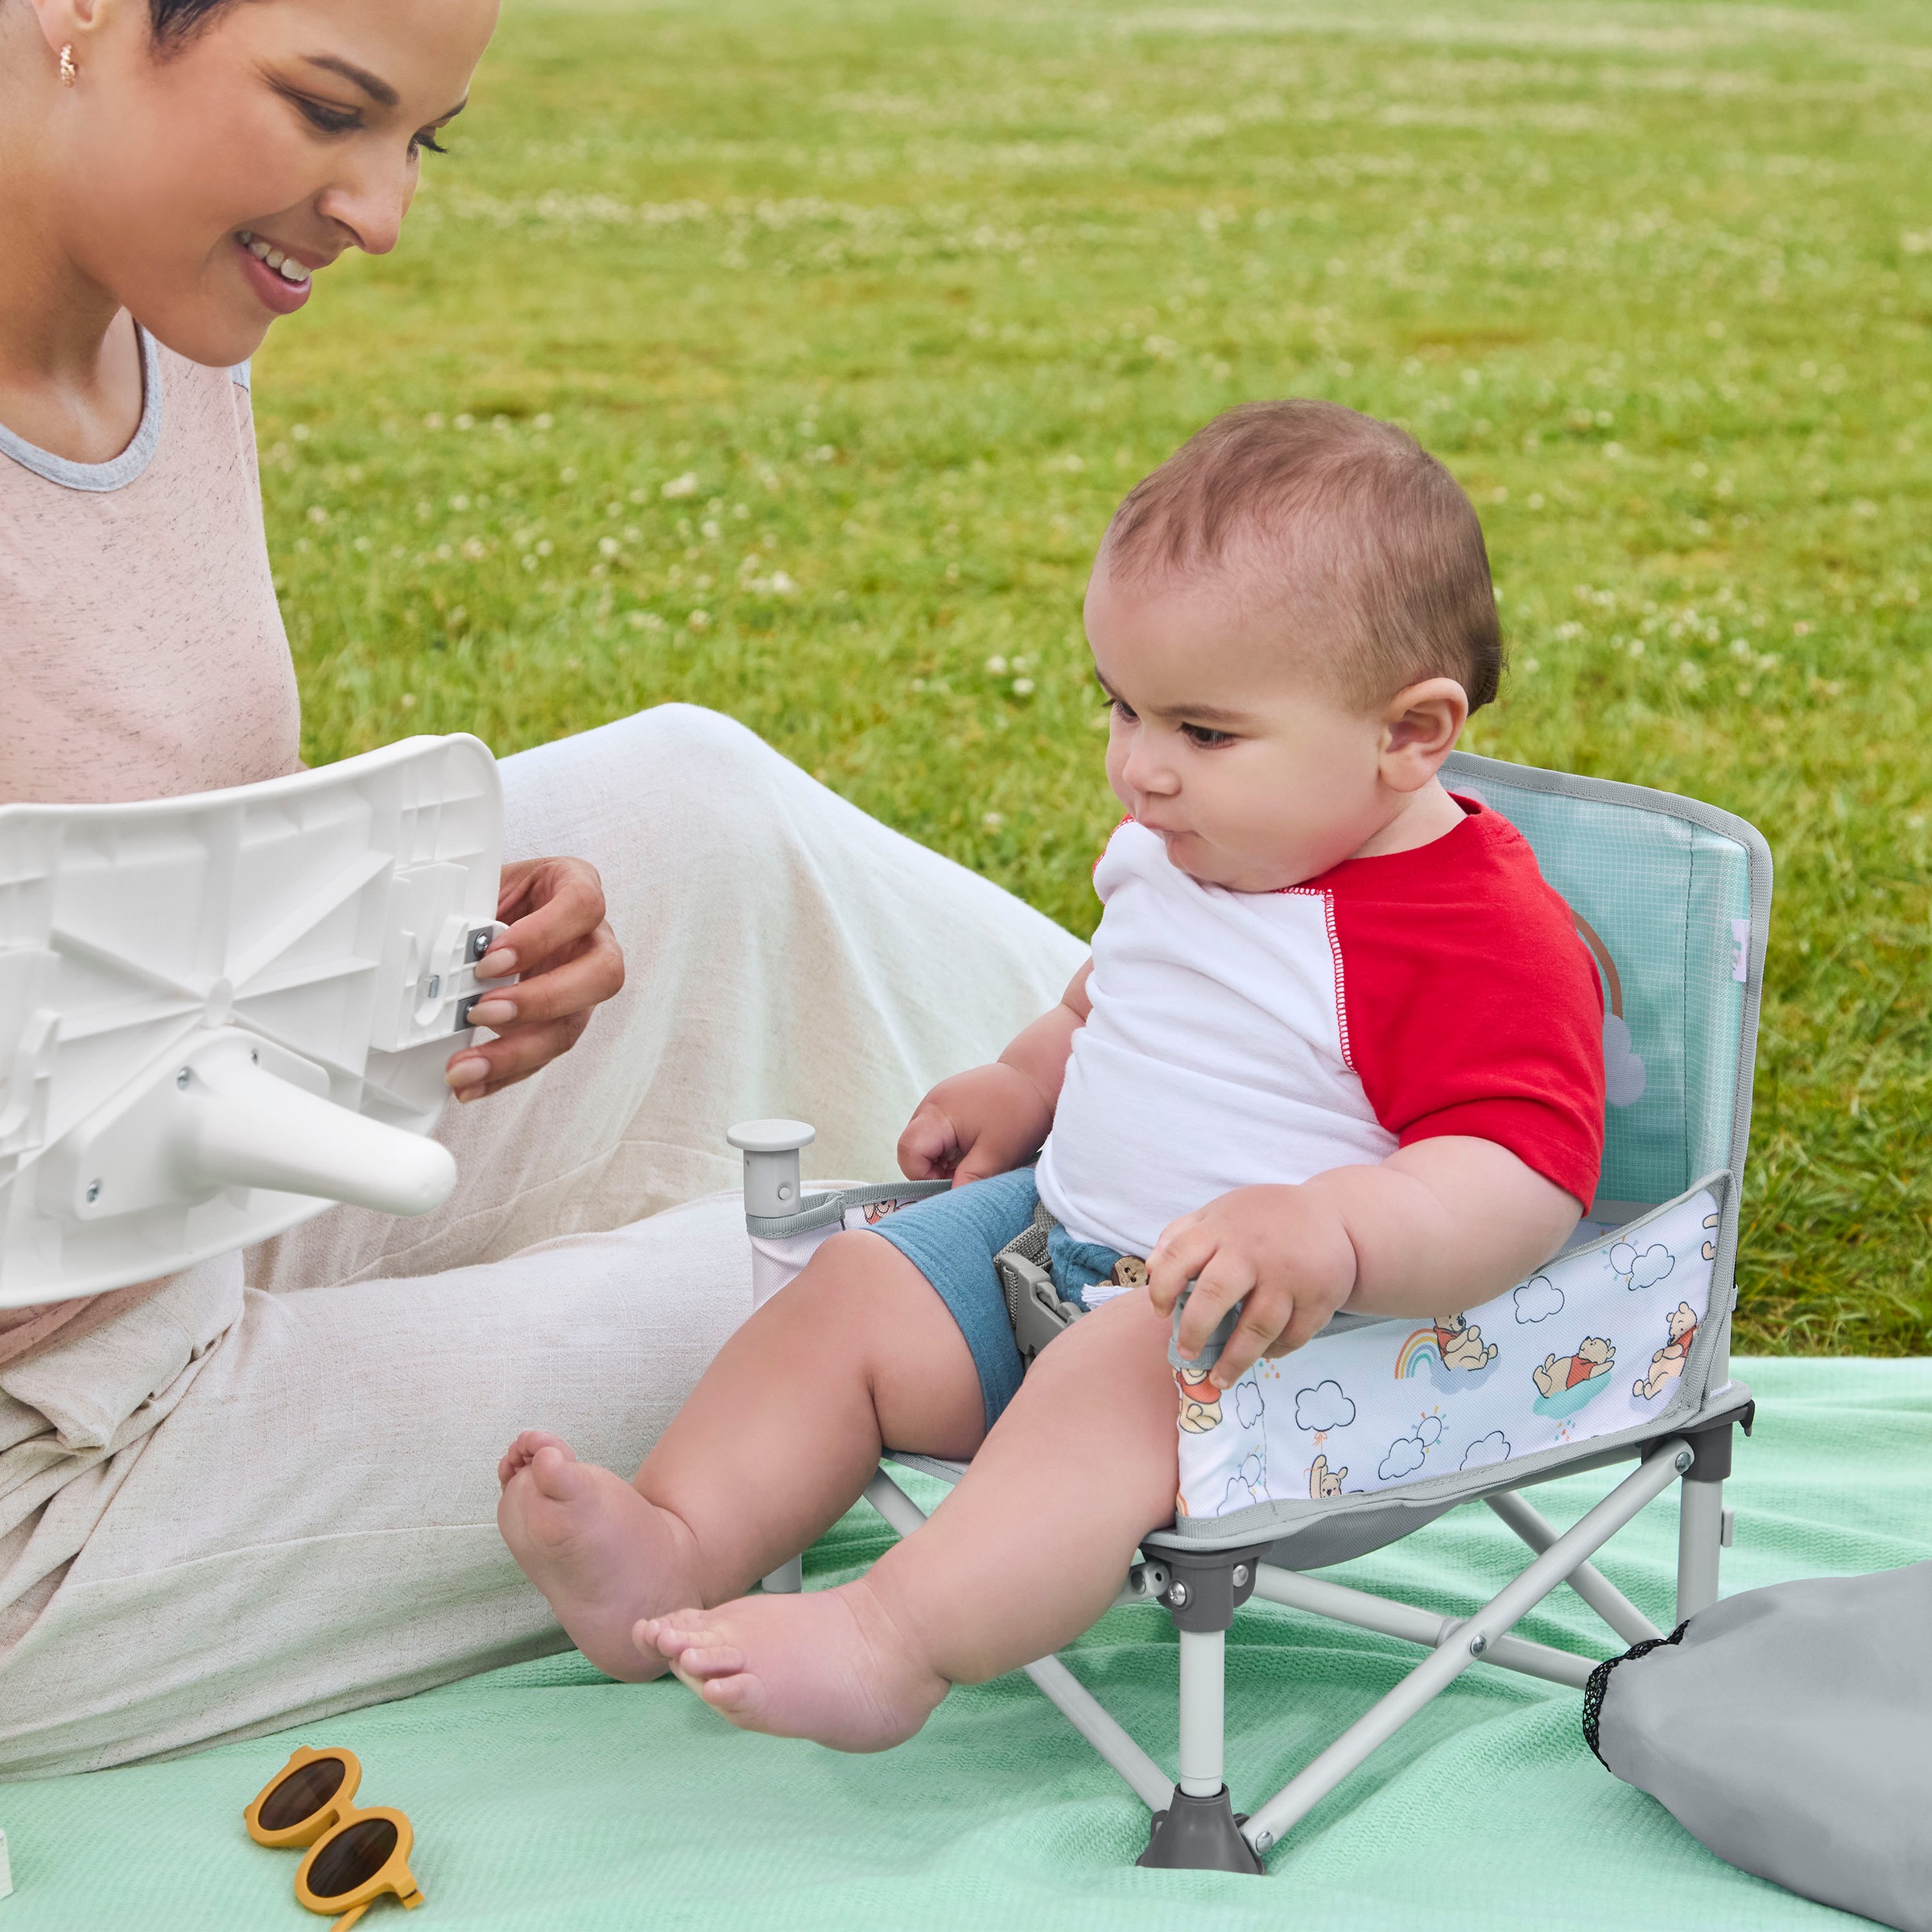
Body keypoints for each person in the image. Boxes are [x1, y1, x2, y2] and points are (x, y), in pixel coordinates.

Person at [0, 0, 1081, 1777]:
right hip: (52, 1468)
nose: (380, 212)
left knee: (700, 802)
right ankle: (1301, 1275)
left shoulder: (168, 319)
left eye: (415, 139)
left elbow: (115, 853)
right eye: (326, 111)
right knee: (846, 1315)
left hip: (151, 1193)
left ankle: (1321, 1067)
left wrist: (408, 963)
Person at [496, 401, 1608, 1750]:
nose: (1140, 769)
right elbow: (1110, 994)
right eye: (1121, 707)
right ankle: (675, 1542)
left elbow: (1523, 1176)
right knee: (860, 1278)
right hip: (1058, 1251)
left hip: (1286, 1356)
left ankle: (890, 1639)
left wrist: (1333, 1229)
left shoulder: (1468, 929)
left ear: (1411, 734)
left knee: (1117, 1375)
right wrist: (1024, 1080)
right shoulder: (1187, 846)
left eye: (1203, 731)